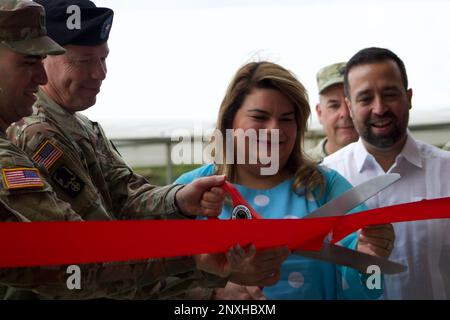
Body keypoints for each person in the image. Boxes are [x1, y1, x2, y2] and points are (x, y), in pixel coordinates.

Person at [0, 0, 288, 300]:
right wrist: (205, 277)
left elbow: (124, 194)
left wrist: (178, 200)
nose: (100, 73)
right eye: (84, 61)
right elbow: (93, 256)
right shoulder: (39, 135)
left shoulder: (77, 125)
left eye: (103, 59)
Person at [174, 61, 395, 300]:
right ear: (229, 121)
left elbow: (371, 290)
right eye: (259, 117)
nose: (274, 129)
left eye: (287, 119)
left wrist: (370, 262)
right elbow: (150, 279)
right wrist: (213, 292)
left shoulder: (325, 187)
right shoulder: (189, 191)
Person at [322, 47, 450, 299]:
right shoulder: (324, 178)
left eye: (390, 94)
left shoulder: (446, 171)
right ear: (349, 105)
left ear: (409, 96)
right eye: (365, 98)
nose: (379, 108)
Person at [307, 62, 358, 162]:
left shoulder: (388, 161)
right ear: (319, 113)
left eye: (351, 103)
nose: (345, 113)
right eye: (334, 106)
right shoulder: (301, 168)